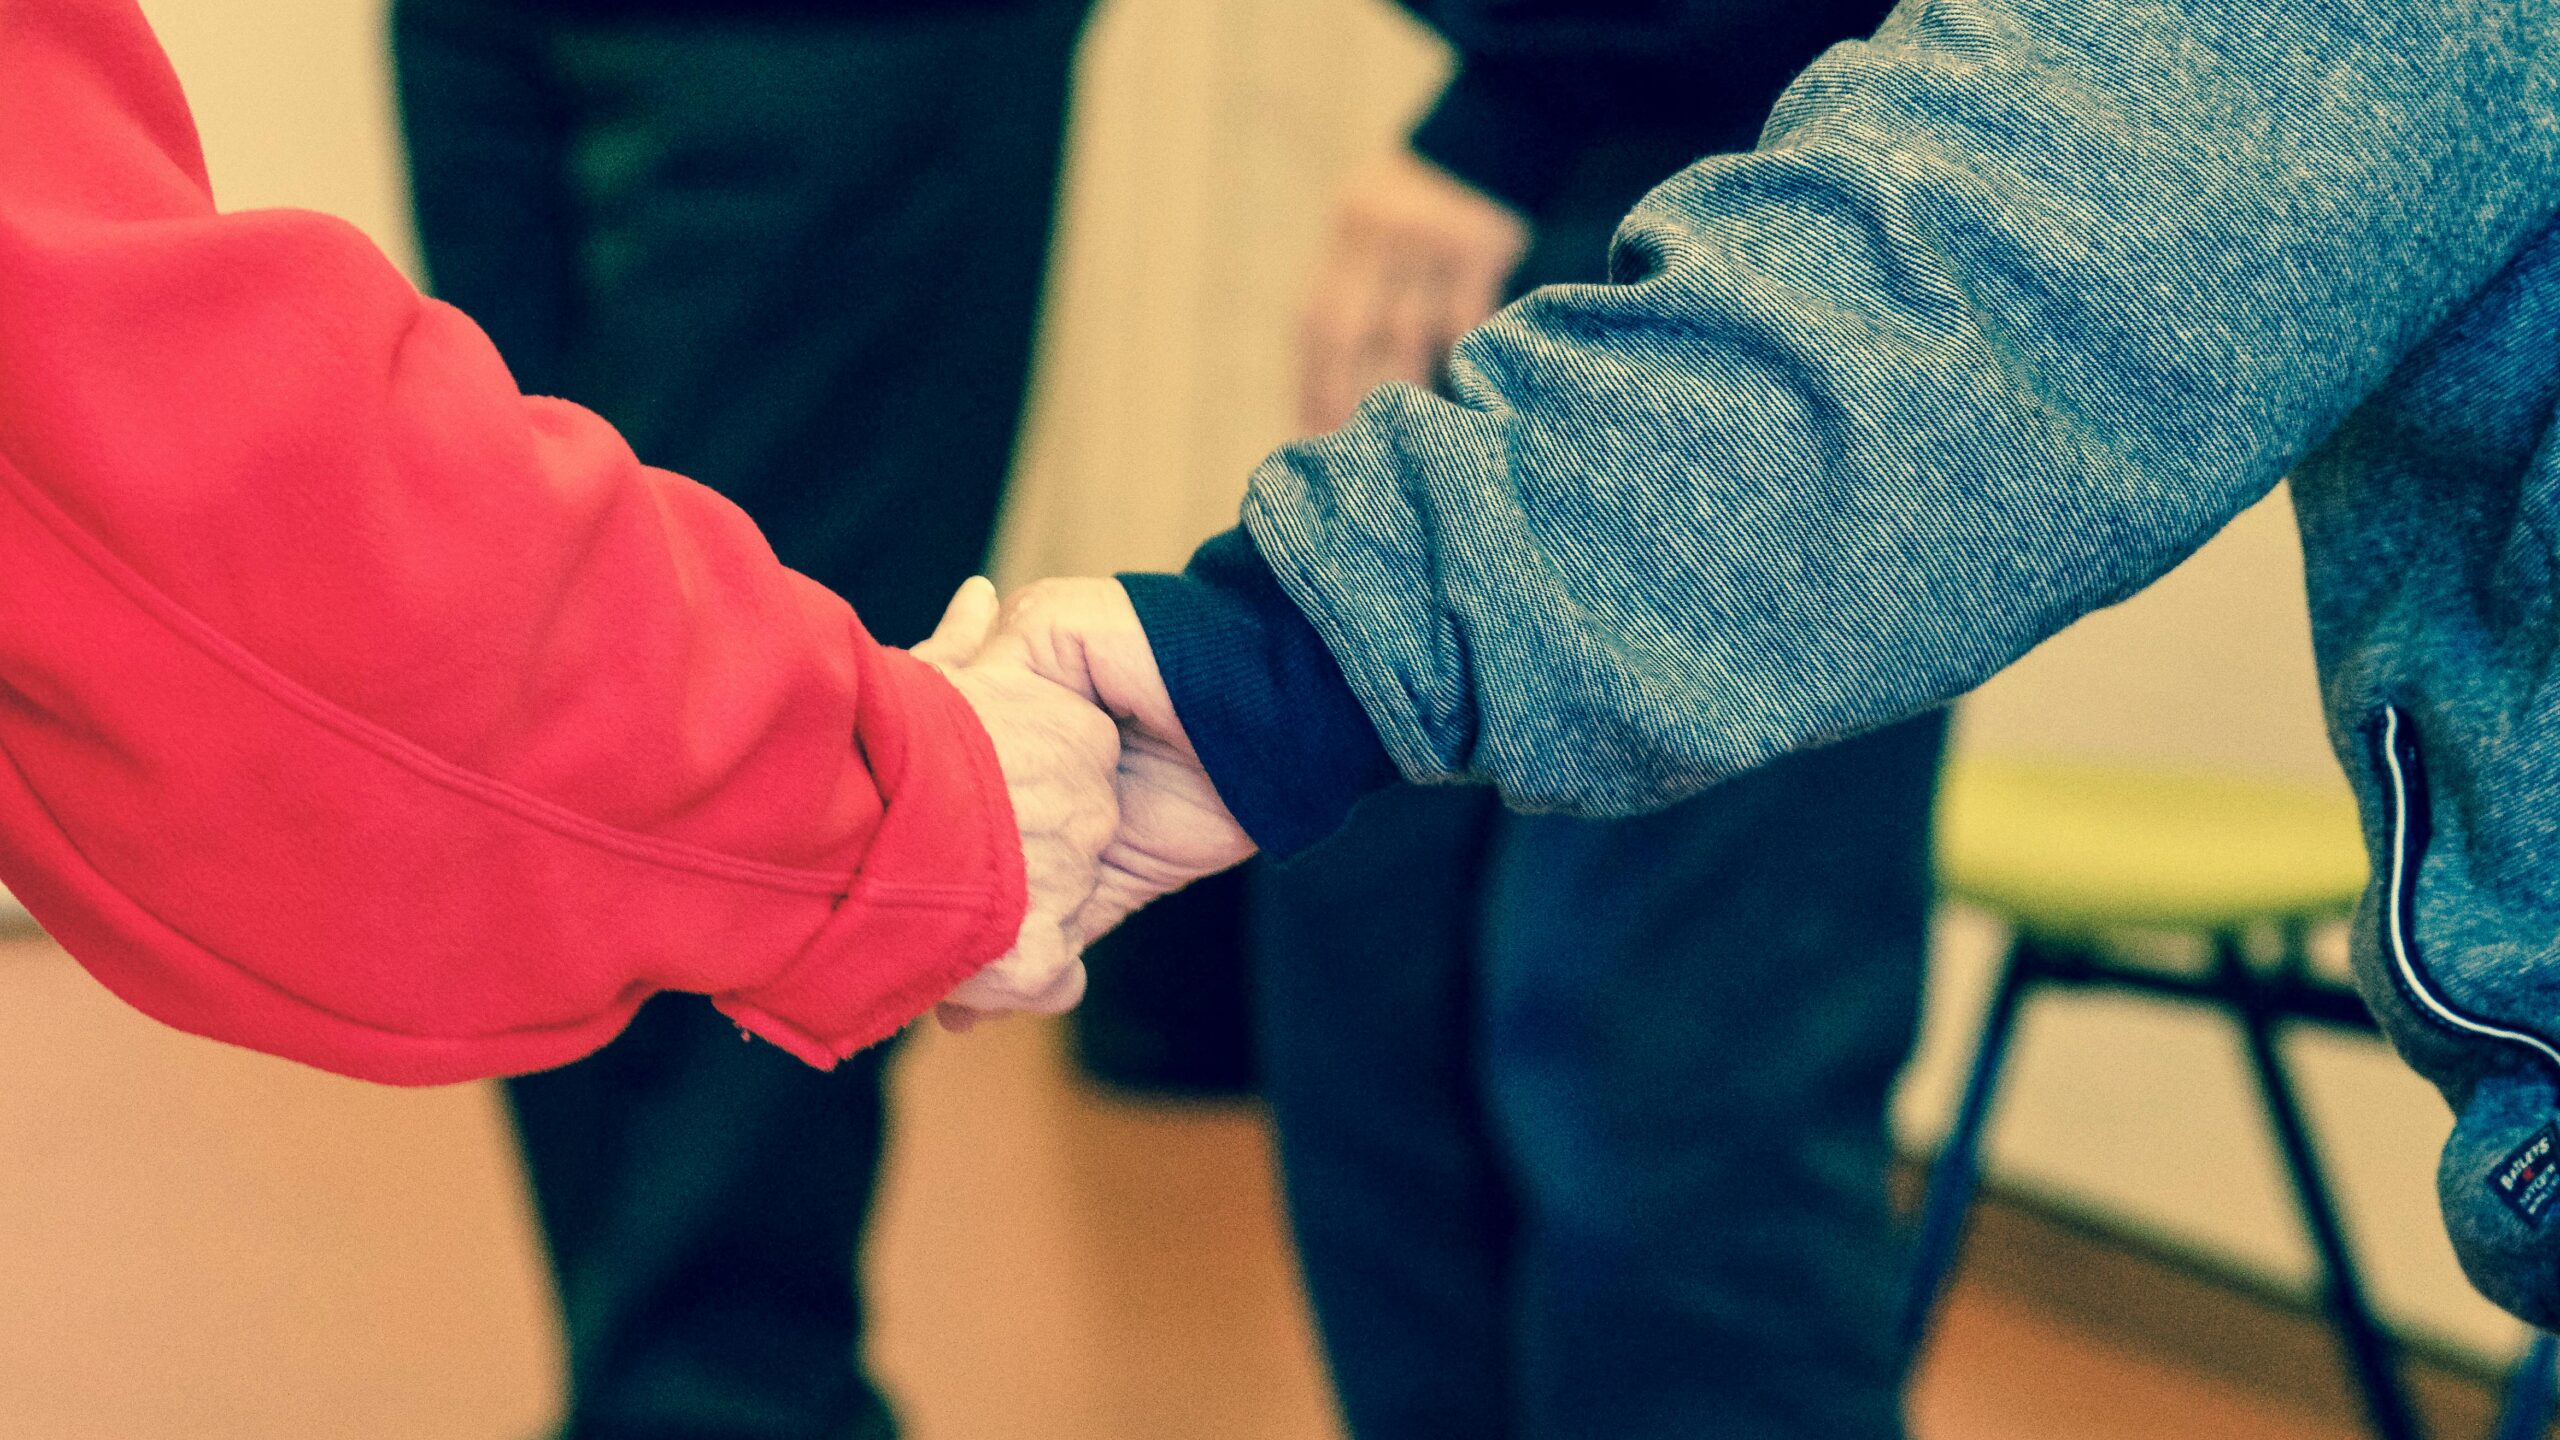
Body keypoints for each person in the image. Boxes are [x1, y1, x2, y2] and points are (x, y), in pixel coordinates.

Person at [990, 0, 2560, 1332]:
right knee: (1395, 1072)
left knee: (1658, 1115)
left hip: (1761, 193)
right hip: (1622, 192)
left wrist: (1263, 662)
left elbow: (2004, 290)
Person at [0, 0, 1105, 1083]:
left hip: (842, 41)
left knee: (635, 814)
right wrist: (901, 799)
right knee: (595, 813)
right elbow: (169, 507)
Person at [388, 2, 1088, 1433]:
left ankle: (726, 1397)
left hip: (840, 51)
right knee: (532, 682)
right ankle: (656, 1385)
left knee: (745, 733)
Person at [1255, 3, 1934, 1436]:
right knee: (1374, 985)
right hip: (1563, 157)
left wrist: (1500, 112)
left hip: (1798, 184)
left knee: (1662, 1073)